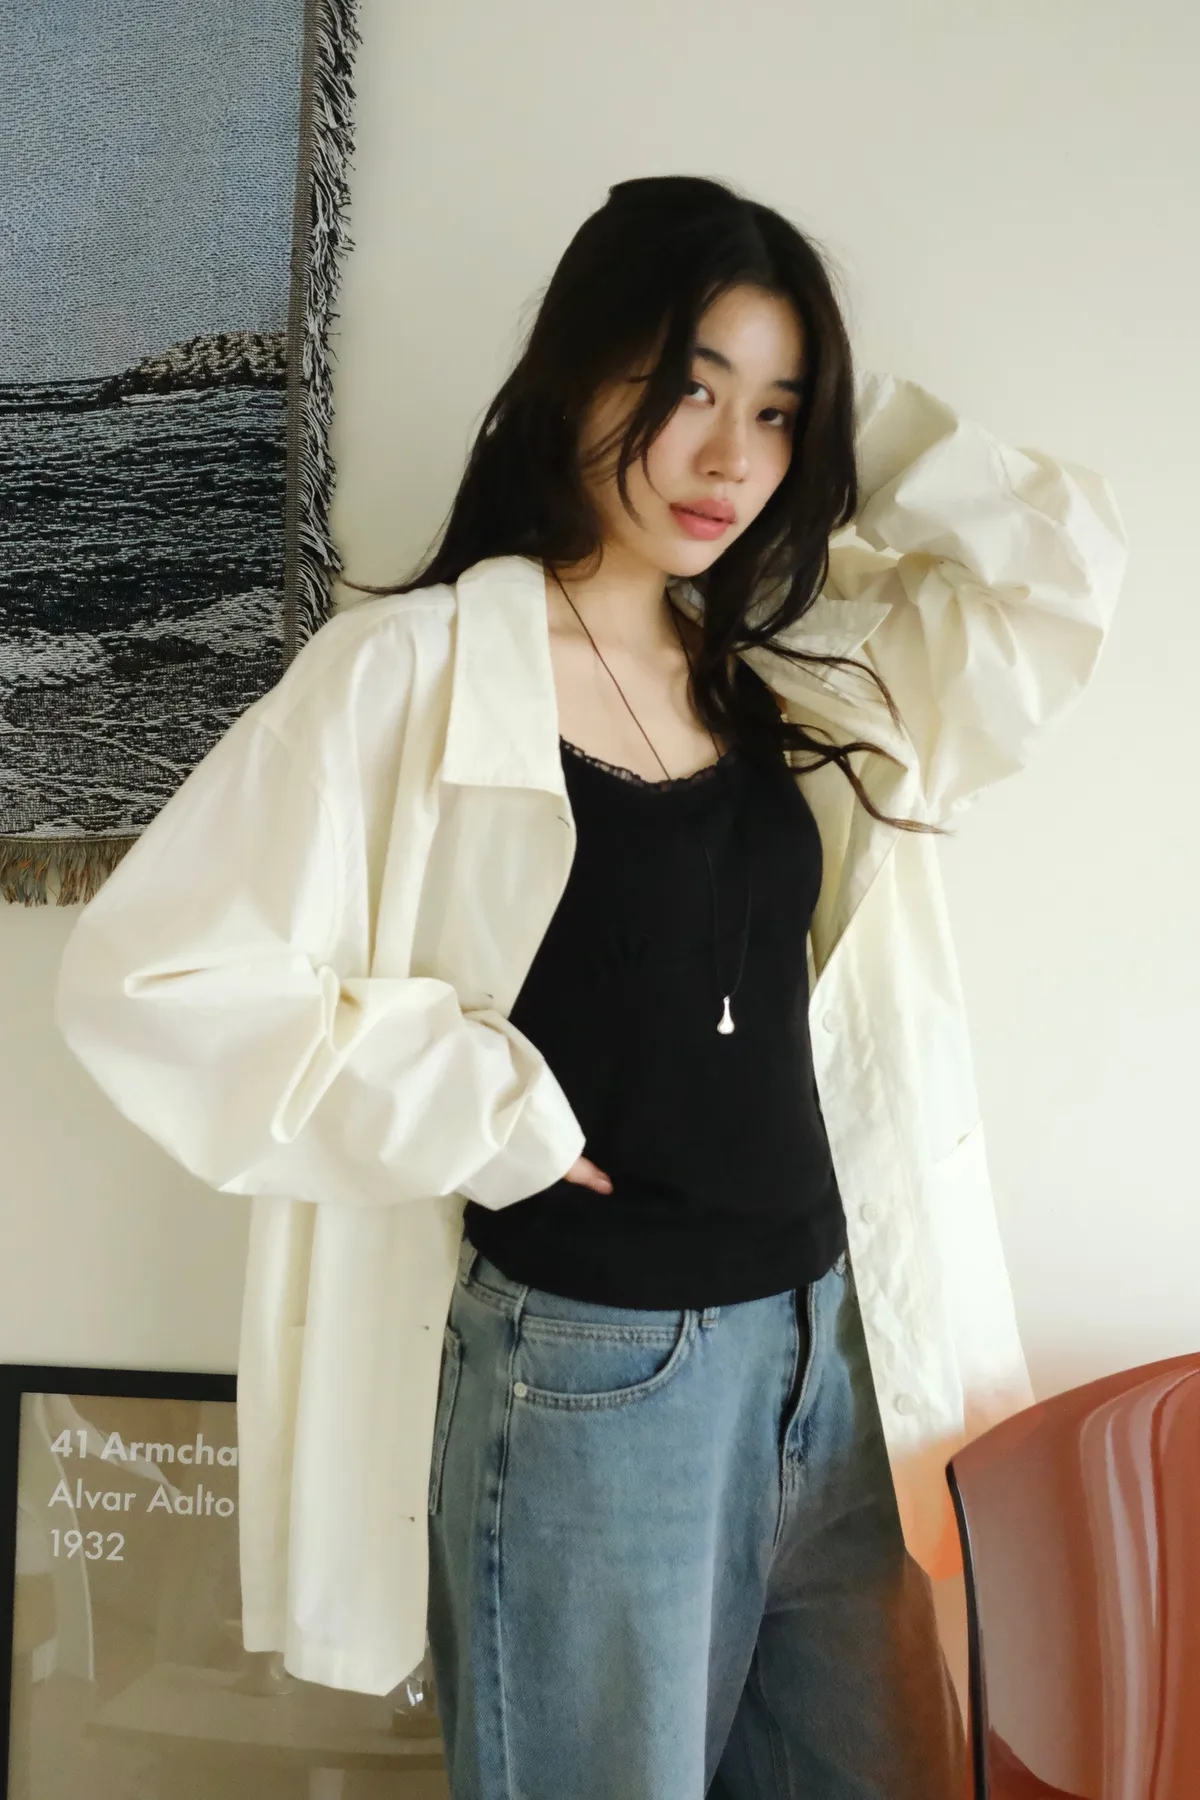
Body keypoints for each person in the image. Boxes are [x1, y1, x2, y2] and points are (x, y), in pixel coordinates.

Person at [54, 174, 1128, 1798]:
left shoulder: (791, 665)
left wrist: (859, 431)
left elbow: (1061, 577)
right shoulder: (408, 673)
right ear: (577, 375)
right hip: (595, 1378)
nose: (730, 457)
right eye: (689, 388)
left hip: (831, 1360)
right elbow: (151, 977)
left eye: (775, 412)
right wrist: (482, 1107)